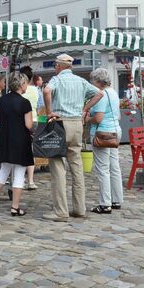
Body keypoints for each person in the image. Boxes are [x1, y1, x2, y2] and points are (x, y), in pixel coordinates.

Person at [43, 53, 103, 222]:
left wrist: (49, 112)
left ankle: (61, 211)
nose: (55, 68)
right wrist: (85, 108)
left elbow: (47, 90)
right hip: (77, 124)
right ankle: (79, 208)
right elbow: (99, 94)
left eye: (56, 65)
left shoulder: (57, 80)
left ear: (59, 66)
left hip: (60, 123)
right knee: (76, 167)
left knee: (58, 167)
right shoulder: (80, 81)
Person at [0, 72, 34, 217]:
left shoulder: (2, 100)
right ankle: (15, 207)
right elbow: (28, 125)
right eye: (26, 83)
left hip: (4, 139)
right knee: (20, 173)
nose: (27, 85)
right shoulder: (25, 103)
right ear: (21, 85)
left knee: (4, 170)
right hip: (20, 141)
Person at [86, 68, 123, 214]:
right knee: (114, 166)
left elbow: (98, 118)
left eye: (93, 81)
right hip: (115, 131)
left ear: (98, 82)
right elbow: (118, 115)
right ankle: (116, 199)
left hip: (102, 133)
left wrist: (88, 119)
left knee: (102, 169)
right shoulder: (113, 93)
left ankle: (105, 203)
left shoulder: (100, 95)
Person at [19, 67, 39, 191]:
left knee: (20, 149)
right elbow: (40, 106)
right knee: (31, 151)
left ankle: (19, 179)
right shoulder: (37, 90)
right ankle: (31, 181)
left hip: (21, 121)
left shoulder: (20, 89)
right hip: (35, 121)